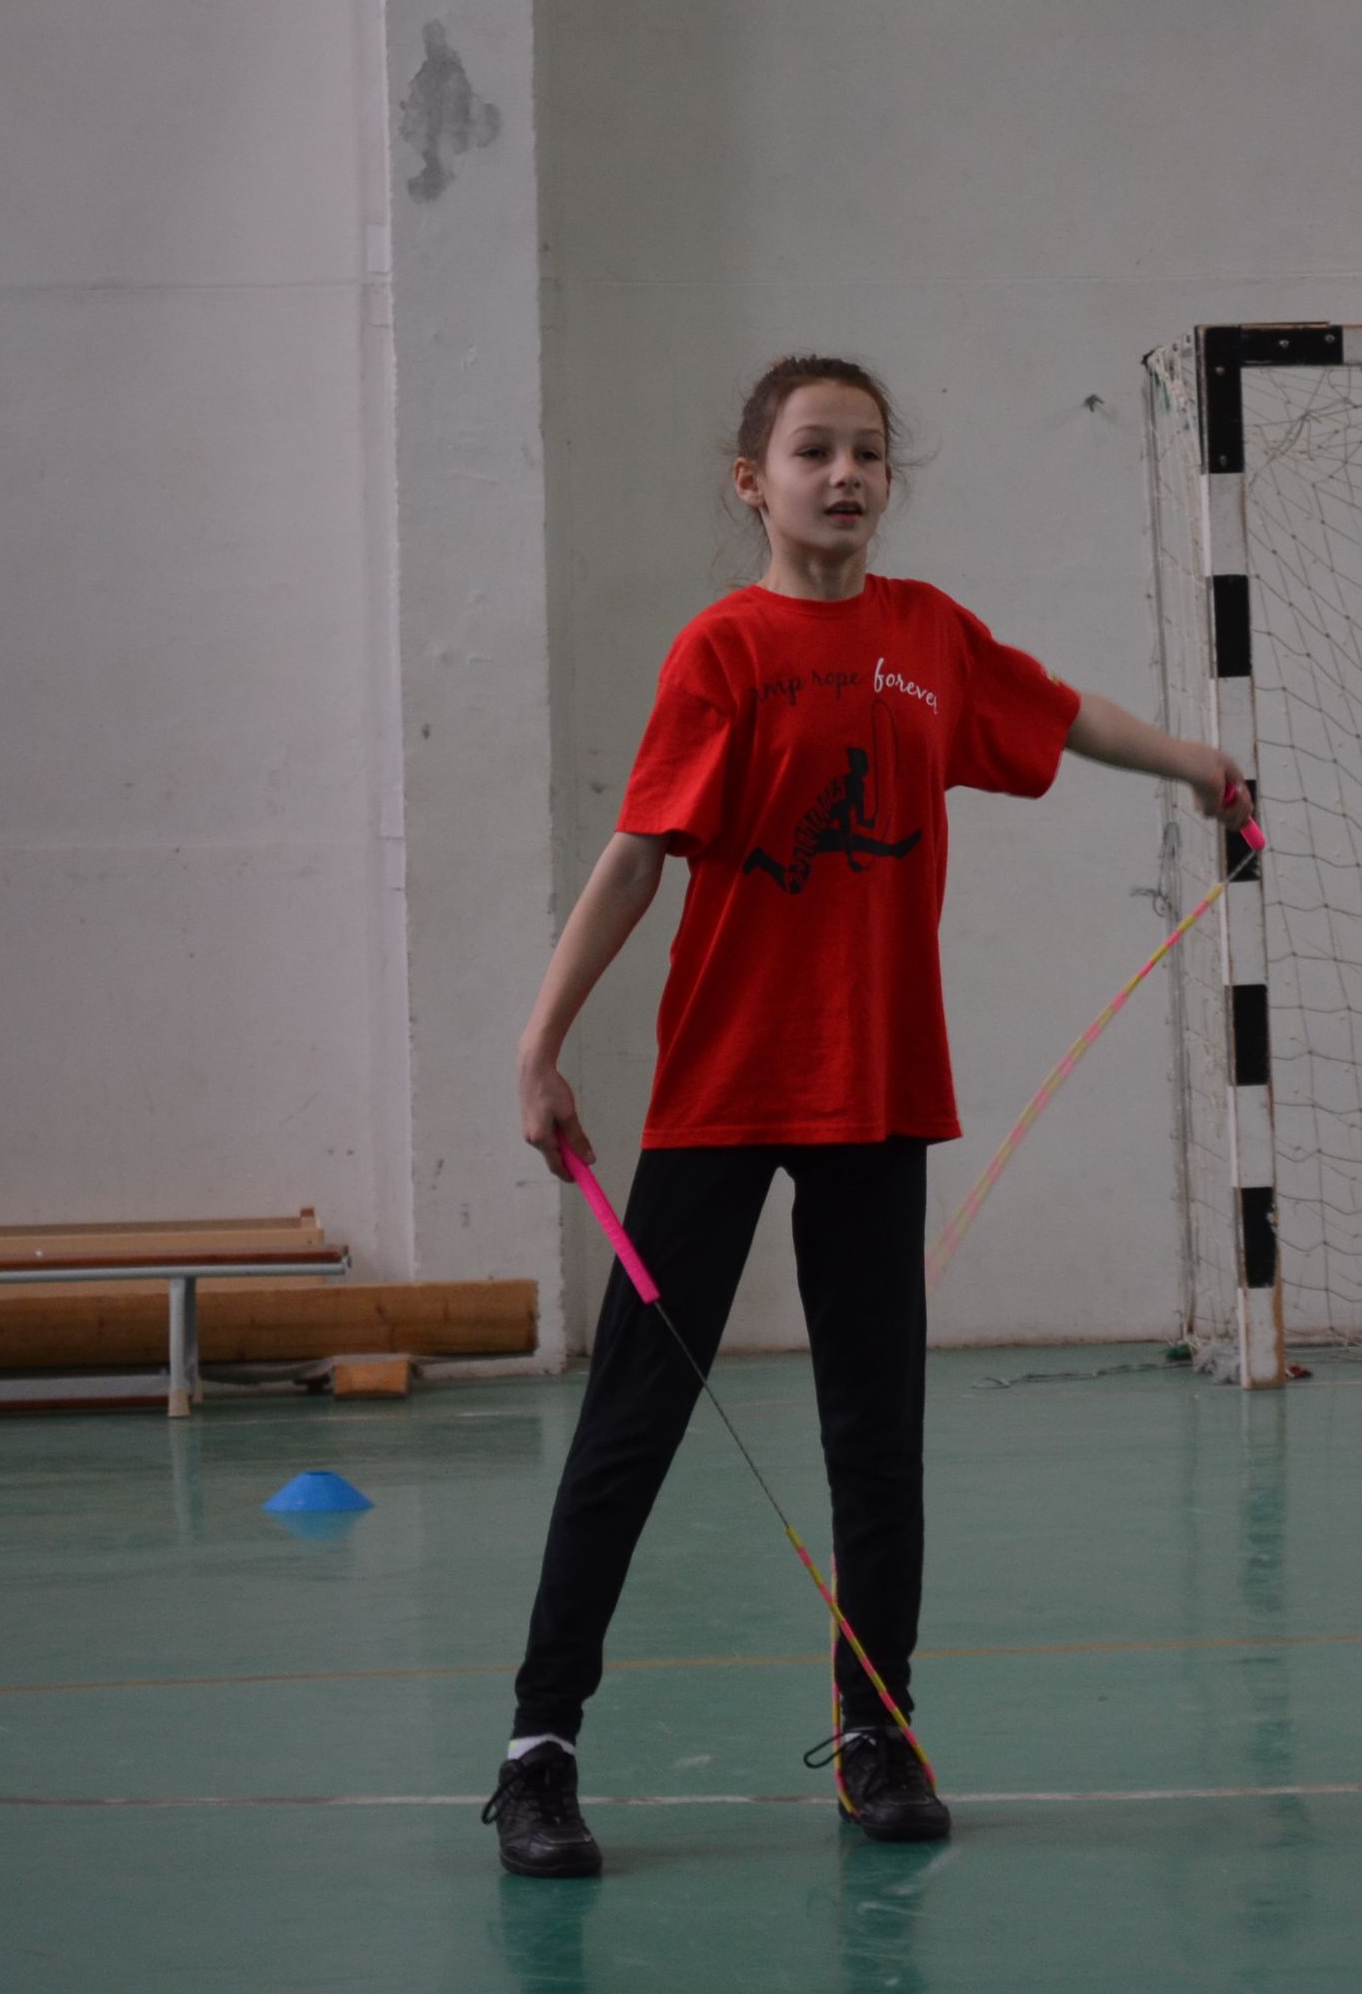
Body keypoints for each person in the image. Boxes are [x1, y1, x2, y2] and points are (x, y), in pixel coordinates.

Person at [481, 355, 1248, 1877]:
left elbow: (1059, 715)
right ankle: (538, 1751)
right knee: (631, 1426)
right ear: (751, 481)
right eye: (813, 451)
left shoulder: (927, 636)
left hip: (879, 1091)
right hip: (721, 1091)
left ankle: (877, 1731)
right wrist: (539, 1044)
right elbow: (636, 855)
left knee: (875, 1436)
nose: (845, 475)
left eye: (869, 454)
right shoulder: (722, 649)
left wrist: (1195, 766)